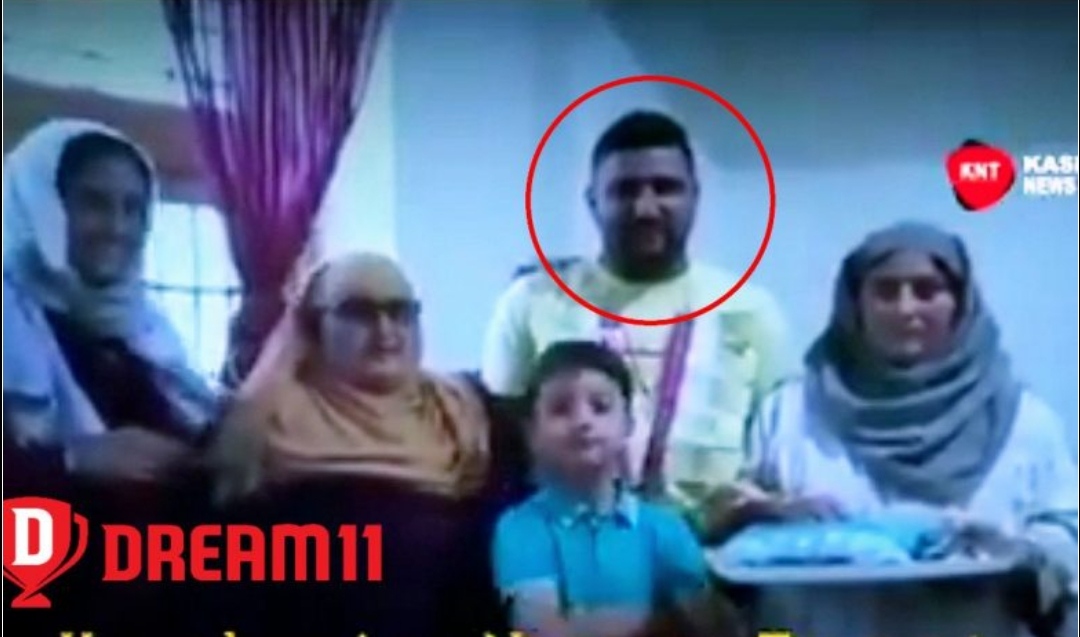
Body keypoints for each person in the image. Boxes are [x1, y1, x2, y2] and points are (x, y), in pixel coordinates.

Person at [732, 222, 1078, 637]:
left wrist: (1017, 555)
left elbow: (1066, 535)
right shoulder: (790, 411)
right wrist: (768, 512)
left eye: (927, 291)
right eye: (885, 291)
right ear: (854, 304)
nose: (905, 309)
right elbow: (738, 530)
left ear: (960, 303)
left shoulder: (1022, 419)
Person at [482, 111, 789, 523]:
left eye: (665, 188)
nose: (646, 208)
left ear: (695, 197)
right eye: (624, 191)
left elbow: (777, 453)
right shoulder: (532, 301)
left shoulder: (751, 309)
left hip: (719, 544)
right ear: (593, 202)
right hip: (571, 541)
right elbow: (502, 447)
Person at [210, 252, 511, 637]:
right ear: (315, 327)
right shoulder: (261, 425)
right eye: (359, 312)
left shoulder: (465, 412)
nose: (386, 331)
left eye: (400, 312)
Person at [2, 120, 219, 635]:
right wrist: (73, 460)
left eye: (133, 208)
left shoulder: (144, 329)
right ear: (41, 203)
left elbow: (181, 433)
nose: (118, 228)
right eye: (94, 203)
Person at [493, 340, 743, 637]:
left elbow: (706, 623)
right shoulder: (522, 526)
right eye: (561, 409)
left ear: (628, 424)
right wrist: (659, 621)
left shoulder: (665, 526)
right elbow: (543, 630)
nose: (583, 421)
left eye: (600, 407)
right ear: (532, 433)